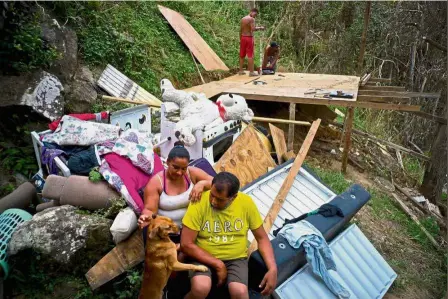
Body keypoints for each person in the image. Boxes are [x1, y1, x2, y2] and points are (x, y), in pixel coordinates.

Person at [181, 172, 277, 299]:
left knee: (240, 292)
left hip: (235, 258)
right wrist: (218, 264)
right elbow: (186, 244)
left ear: (233, 197)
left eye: (220, 199)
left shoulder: (246, 203)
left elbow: (262, 238)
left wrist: (272, 268)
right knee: (200, 288)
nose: (213, 201)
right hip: (202, 255)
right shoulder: (199, 201)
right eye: (212, 195)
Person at [138, 143, 213, 243]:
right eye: (176, 167)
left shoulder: (192, 173)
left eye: (183, 168)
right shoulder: (156, 183)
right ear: (168, 162)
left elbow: (219, 183)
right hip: (168, 234)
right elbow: (150, 209)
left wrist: (202, 184)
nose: (179, 172)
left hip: (192, 230)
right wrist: (146, 217)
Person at [239, 8, 265, 77]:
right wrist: (260, 28)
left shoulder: (243, 19)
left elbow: (240, 30)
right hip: (249, 38)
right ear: (252, 12)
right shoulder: (251, 19)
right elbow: (253, 29)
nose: (255, 16)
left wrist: (240, 39)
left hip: (243, 37)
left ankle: (240, 70)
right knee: (250, 55)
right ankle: (251, 72)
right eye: (255, 14)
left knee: (242, 54)